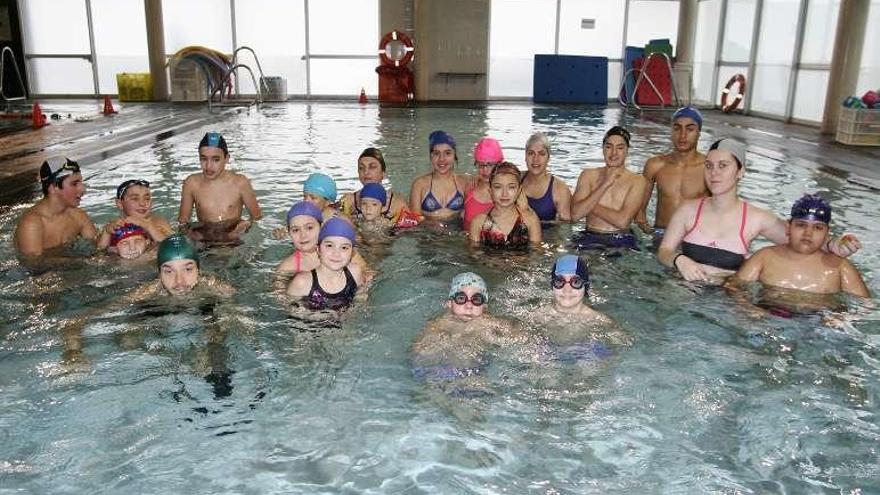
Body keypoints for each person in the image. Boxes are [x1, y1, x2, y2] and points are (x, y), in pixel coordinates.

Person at [658, 138, 861, 283]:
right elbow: (664, 251)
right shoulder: (688, 210)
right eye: (709, 166)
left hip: (726, 298)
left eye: (723, 166)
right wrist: (680, 260)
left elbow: (801, 238)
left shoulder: (756, 218)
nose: (714, 173)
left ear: (740, 172)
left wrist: (834, 245)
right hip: (682, 289)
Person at [729, 194, 870, 299]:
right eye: (801, 225)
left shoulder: (840, 268)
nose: (808, 234)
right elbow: (733, 287)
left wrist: (843, 318)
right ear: (788, 227)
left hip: (819, 327)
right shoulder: (764, 257)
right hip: (768, 321)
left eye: (818, 228)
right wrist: (748, 309)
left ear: (828, 232)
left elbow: (865, 307)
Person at [410, 272, 530, 393]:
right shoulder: (441, 323)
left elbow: (520, 335)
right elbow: (419, 349)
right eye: (461, 298)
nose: (469, 305)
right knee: (429, 388)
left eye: (476, 300)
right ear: (449, 303)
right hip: (443, 369)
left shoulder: (487, 322)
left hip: (475, 370)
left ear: (484, 306)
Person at [636, 107, 708, 244]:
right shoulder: (655, 165)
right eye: (677, 128)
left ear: (699, 133)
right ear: (671, 131)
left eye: (690, 129)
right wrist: (648, 229)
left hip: (694, 238)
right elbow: (640, 210)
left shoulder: (709, 168)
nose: (682, 135)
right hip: (661, 234)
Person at [177, 132, 262, 245]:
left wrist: (244, 226)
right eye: (204, 159)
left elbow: (257, 218)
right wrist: (191, 233)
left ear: (226, 158)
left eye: (215, 159)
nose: (208, 166)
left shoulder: (240, 183)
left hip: (234, 239)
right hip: (205, 240)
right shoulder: (191, 183)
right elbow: (183, 223)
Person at [570, 126, 646, 249]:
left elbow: (622, 222)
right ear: (603, 149)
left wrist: (589, 205)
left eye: (620, 148)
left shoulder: (637, 181)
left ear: (627, 151)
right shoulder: (588, 175)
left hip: (621, 239)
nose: (614, 153)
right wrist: (605, 183)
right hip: (588, 236)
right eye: (609, 147)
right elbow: (575, 215)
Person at [14, 157, 98, 264]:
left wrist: (109, 233)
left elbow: (98, 248)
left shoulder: (78, 216)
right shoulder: (32, 223)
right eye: (74, 184)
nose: (83, 189)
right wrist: (79, 262)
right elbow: (33, 264)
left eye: (81, 182)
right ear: (53, 187)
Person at [286, 217, 365, 311]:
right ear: (318, 250)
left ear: (352, 253)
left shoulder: (355, 272)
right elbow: (291, 313)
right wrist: (328, 316)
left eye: (344, 248)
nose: (336, 253)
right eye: (329, 245)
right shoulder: (302, 282)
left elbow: (361, 301)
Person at [468, 162, 541, 250]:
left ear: (519, 190)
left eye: (511, 187)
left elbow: (536, 254)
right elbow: (475, 257)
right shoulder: (478, 222)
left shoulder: (530, 220)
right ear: (490, 190)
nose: (504, 194)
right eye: (498, 187)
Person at [409, 130, 470, 221]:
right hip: (428, 232)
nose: (442, 159)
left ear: (454, 155)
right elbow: (414, 220)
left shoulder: (465, 182)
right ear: (431, 156)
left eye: (447, 153)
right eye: (436, 153)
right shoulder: (419, 185)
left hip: (457, 231)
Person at [97, 179, 173, 250]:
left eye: (147, 199)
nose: (143, 203)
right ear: (119, 203)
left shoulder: (158, 223)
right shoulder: (113, 226)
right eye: (135, 199)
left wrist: (148, 226)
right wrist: (106, 233)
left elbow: (172, 247)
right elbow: (99, 251)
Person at [338, 147, 409, 221]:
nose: (366, 172)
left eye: (372, 167)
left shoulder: (397, 204)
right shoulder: (349, 201)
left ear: (383, 173)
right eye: (361, 168)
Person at [520, 132, 572, 223]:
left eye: (542, 153)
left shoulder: (560, 189)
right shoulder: (516, 179)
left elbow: (566, 227)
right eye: (531, 153)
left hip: (548, 236)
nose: (536, 159)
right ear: (525, 156)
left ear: (548, 158)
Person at [274, 201, 323, 290]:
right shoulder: (287, 267)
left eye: (309, 228)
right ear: (289, 234)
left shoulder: (338, 254)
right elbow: (281, 298)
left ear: (322, 227)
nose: (303, 235)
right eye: (296, 230)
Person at [462, 137, 504, 231]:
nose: (485, 170)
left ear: (499, 164)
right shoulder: (470, 187)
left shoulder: (506, 193)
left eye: (490, 165)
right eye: (481, 165)